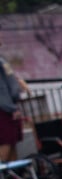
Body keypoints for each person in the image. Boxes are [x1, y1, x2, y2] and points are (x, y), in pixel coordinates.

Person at [0, 34, 23, 162]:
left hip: (8, 108)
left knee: (12, 144)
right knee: (5, 144)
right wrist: (11, 108)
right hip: (4, 110)